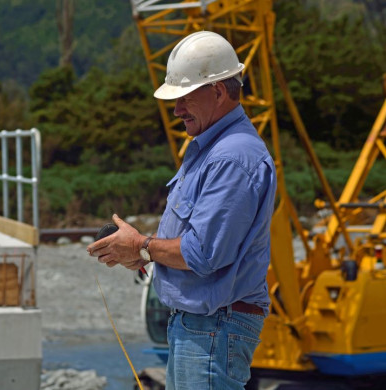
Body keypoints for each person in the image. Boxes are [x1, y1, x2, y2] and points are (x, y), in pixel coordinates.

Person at [87, 31, 277, 389]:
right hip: (203, 327)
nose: (176, 110)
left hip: (213, 328)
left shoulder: (231, 157)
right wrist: (146, 253)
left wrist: (142, 247)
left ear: (219, 91)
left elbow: (202, 253)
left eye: (185, 97)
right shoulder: (213, 149)